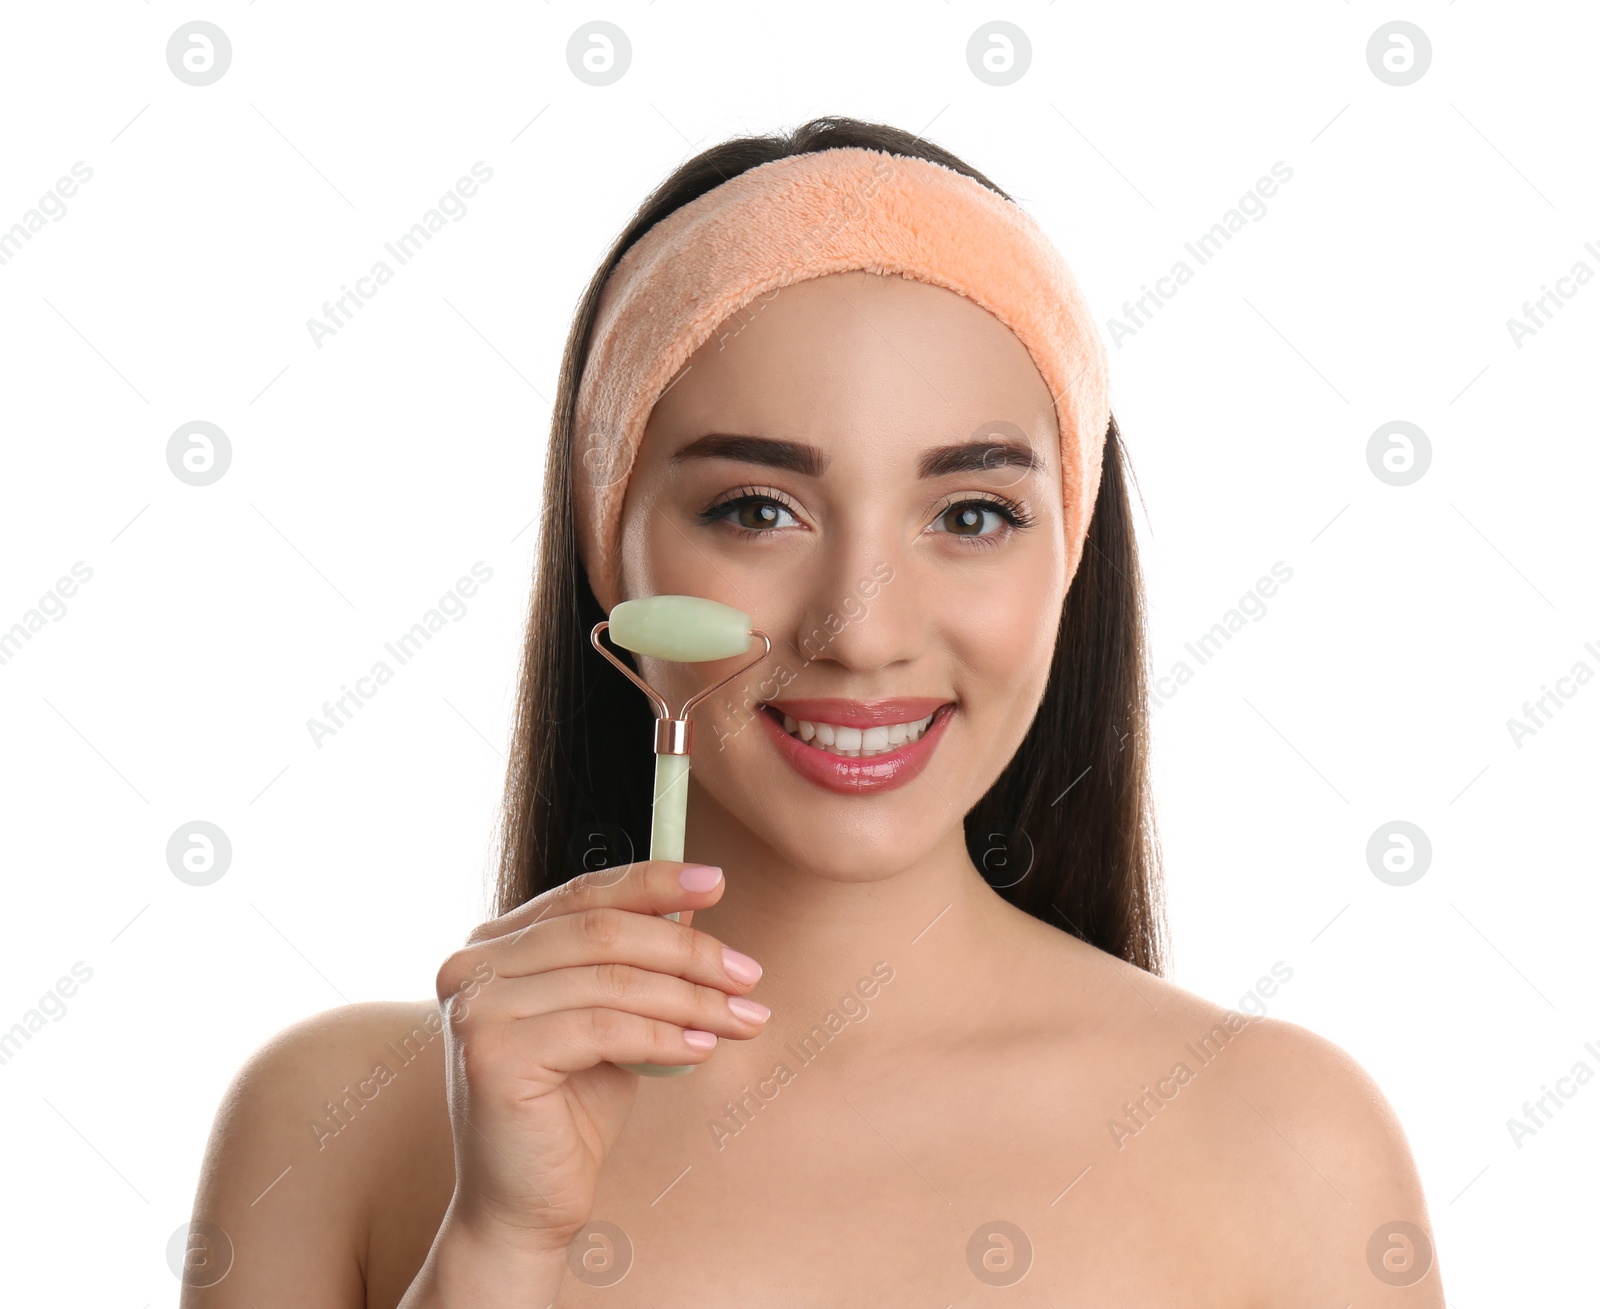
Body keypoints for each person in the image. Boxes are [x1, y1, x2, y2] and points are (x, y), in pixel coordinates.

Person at [184, 117, 1442, 1307]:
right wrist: (499, 1248)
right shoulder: (331, 1124)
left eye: (970, 514)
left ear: (1068, 561)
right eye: (755, 509)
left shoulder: (1288, 1141)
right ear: (610, 554)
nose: (862, 628)